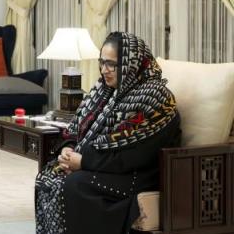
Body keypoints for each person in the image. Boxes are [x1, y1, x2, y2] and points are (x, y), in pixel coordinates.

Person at [35, 32, 181, 234]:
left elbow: (134, 156)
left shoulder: (156, 99)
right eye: (102, 62)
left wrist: (84, 162)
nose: (104, 70)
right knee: (48, 177)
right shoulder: (104, 90)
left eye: (111, 64)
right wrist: (68, 149)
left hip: (136, 174)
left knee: (74, 184)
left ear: (131, 64)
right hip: (102, 166)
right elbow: (76, 129)